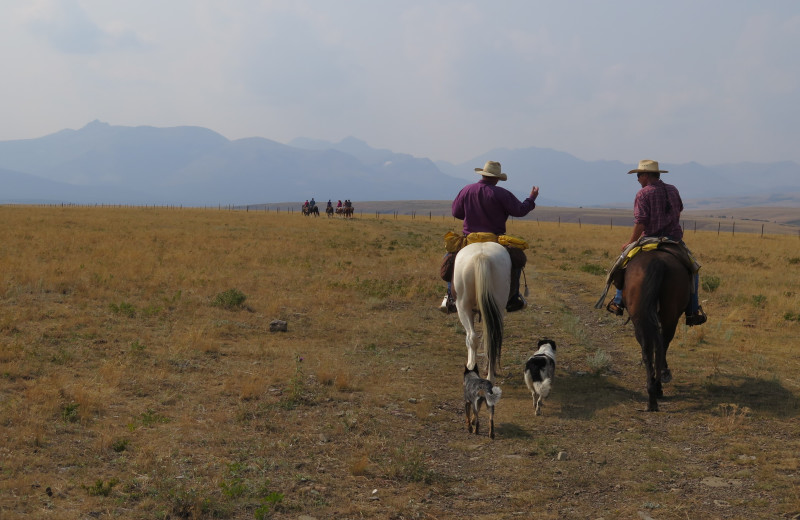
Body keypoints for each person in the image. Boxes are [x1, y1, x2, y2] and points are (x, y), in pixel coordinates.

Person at [606, 159, 706, 326]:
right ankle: (692, 311)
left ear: (645, 175)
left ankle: (618, 302)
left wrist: (630, 242)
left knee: (623, 262)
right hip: (673, 240)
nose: (637, 179)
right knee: (693, 269)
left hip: (648, 239)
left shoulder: (643, 193)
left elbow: (641, 221)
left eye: (638, 175)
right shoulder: (673, 190)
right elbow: (678, 211)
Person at [439, 160, 539, 313]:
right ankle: (513, 298)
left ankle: (450, 297)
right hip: (495, 239)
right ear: (497, 178)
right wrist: (531, 198)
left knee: (451, 258)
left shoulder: (466, 190)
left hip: (469, 239)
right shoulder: (502, 194)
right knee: (517, 259)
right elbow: (520, 211)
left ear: (483, 174)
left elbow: (456, 213)